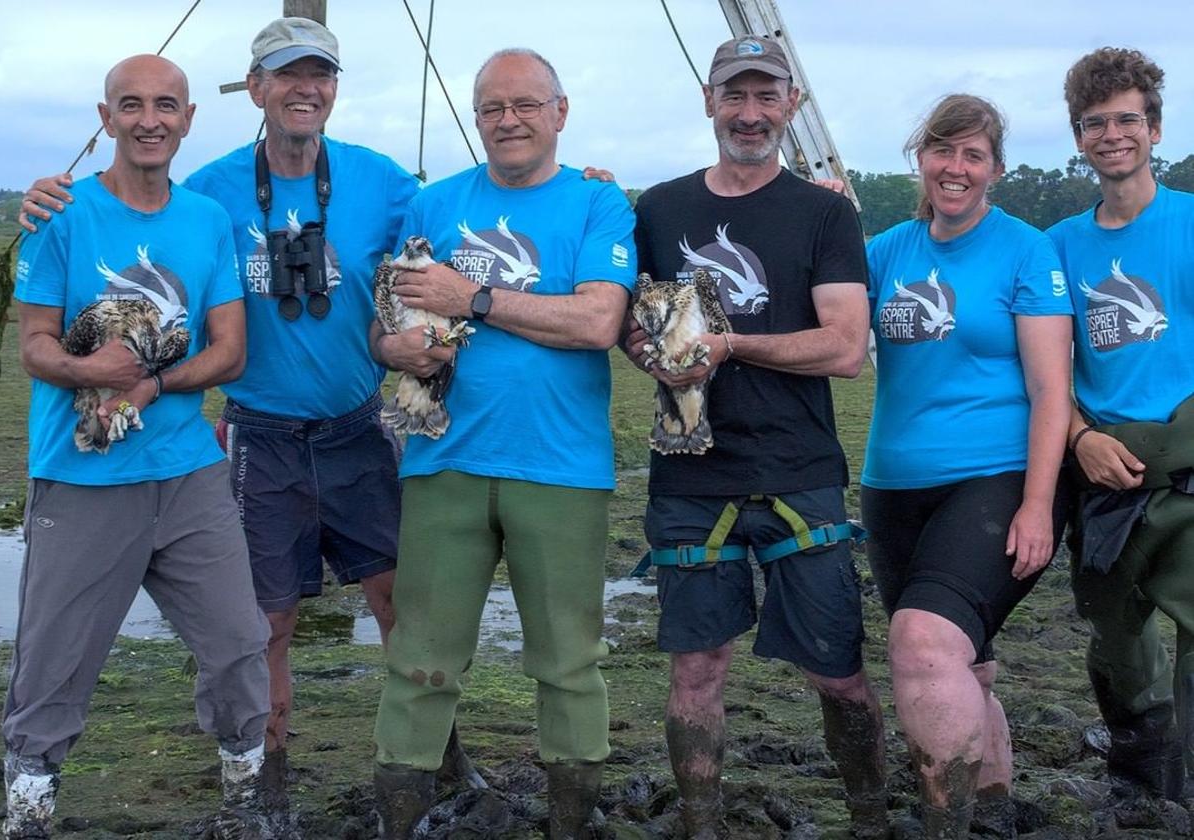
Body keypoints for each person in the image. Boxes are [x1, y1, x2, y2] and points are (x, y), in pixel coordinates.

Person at [17, 17, 481, 819]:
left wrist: (578, 178)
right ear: (254, 89)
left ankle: (441, 759)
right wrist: (43, 196)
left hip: (356, 426)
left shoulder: (383, 180)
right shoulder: (212, 192)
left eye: (320, 75)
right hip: (258, 436)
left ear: (334, 88)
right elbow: (138, 212)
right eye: (285, 76)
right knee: (265, 624)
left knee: (400, 600)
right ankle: (264, 786)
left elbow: (467, 217)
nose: (305, 89)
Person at [367, 48, 636, 838]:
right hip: (443, 460)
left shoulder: (598, 205)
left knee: (567, 664)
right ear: (476, 117)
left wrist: (472, 297)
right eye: (492, 107)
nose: (507, 120)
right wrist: (400, 350)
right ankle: (400, 820)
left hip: (559, 468)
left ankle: (570, 822)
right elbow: (383, 325)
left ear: (559, 112)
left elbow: (596, 323)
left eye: (525, 105)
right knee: (419, 663)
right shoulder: (432, 204)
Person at [625, 36, 887, 840]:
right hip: (690, 474)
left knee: (835, 671)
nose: (749, 114)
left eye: (764, 97)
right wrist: (651, 355)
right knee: (697, 669)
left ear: (789, 106)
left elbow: (844, 347)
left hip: (799, 469)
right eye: (733, 97)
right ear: (708, 100)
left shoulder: (824, 211)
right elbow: (631, 323)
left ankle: (869, 816)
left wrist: (732, 345)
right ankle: (700, 823)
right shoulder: (660, 210)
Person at [5, 55, 271, 839]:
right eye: (131, 105)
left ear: (188, 119)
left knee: (237, 644)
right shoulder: (62, 216)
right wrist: (91, 369)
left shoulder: (205, 221)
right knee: (54, 664)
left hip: (188, 474)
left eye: (165, 105)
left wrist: (149, 386)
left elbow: (230, 352)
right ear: (106, 117)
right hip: (82, 477)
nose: (149, 119)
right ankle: (26, 814)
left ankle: (244, 802)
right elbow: (32, 345)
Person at [862, 94, 1073, 837]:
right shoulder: (884, 251)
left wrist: (1038, 504)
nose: (954, 168)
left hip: (996, 478)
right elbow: (818, 318)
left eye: (972, 155)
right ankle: (992, 812)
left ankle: (944, 825)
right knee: (960, 663)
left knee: (921, 644)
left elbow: (1053, 390)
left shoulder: (1025, 250)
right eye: (942, 150)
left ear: (995, 170)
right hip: (890, 487)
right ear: (920, 158)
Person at [1047, 47, 1194, 801]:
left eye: (1126, 119)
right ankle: (1140, 791)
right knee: (1116, 639)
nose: (1112, 134)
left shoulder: (1190, 222)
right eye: (1095, 122)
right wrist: (1079, 438)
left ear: (1154, 128)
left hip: (1189, 468)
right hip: (1104, 473)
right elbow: (1044, 371)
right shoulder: (1060, 247)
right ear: (1078, 137)